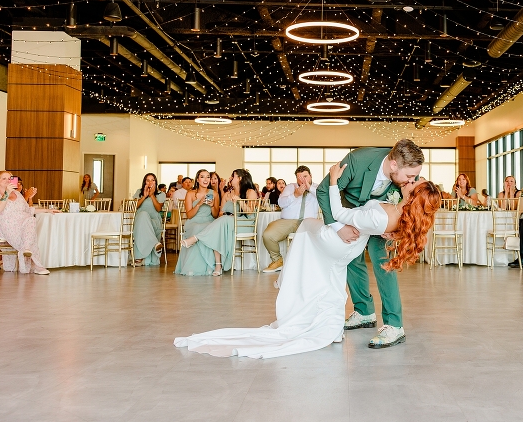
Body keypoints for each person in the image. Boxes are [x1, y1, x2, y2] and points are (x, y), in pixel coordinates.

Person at [174, 162, 441, 359]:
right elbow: (380, 222)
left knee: (304, 230)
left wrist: (334, 180)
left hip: (341, 240)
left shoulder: (387, 213)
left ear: (414, 196)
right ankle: (332, 326)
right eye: (413, 177)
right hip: (349, 248)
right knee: (332, 275)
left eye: (414, 182)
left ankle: (289, 281)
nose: (411, 180)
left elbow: (337, 212)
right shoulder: (398, 212)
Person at [316, 138, 424, 349]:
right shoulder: (357, 160)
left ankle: (395, 325)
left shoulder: (407, 172)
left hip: (382, 216)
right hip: (350, 213)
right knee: (352, 259)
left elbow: (416, 206)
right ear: (394, 165)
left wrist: (398, 231)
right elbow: (323, 189)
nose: (413, 179)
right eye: (410, 176)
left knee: (384, 262)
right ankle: (364, 311)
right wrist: (339, 227)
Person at [180, 169, 258, 275]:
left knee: (220, 223)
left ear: (240, 178)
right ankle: (218, 265)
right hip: (227, 222)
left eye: (232, 176)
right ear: (197, 179)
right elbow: (220, 214)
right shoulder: (227, 194)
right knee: (220, 226)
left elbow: (250, 212)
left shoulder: (250, 192)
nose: (230, 178)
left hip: (244, 223)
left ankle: (195, 238)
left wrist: (239, 201)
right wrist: (226, 214)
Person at [262, 166, 320, 273]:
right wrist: (295, 195)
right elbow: (281, 203)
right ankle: (277, 260)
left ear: (311, 176)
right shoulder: (290, 187)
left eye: (305, 176)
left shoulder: (318, 188)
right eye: (299, 177)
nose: (302, 179)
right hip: (288, 221)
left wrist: (309, 188)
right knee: (268, 235)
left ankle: (311, 266)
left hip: (308, 222)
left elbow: (324, 197)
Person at [0, 171, 54, 274]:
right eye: (4, 178)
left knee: (31, 220)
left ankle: (27, 250)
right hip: (7, 226)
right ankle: (37, 265)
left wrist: (47, 210)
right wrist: (6, 192)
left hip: (23, 224)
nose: (7, 180)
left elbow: (27, 210)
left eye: (10, 178)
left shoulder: (17, 194)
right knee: (30, 231)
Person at [175, 169, 221, 276]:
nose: (206, 179)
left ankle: (208, 266)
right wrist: (199, 204)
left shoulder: (214, 194)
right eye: (202, 177)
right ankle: (193, 267)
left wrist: (212, 206)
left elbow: (215, 215)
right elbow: (189, 215)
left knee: (208, 227)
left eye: (208, 177)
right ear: (197, 179)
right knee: (198, 228)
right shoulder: (190, 194)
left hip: (209, 221)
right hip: (193, 221)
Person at [132, 173, 167, 266]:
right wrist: (144, 196)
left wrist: (152, 196)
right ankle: (155, 243)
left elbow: (158, 209)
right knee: (142, 216)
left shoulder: (161, 194)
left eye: (152, 180)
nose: (150, 182)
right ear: (144, 182)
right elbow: (135, 207)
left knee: (143, 219)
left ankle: (138, 258)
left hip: (154, 221)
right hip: (139, 221)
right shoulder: (139, 191)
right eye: (148, 180)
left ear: (155, 182)